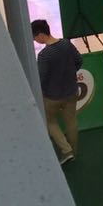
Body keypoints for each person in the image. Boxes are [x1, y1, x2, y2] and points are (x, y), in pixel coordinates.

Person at [32, 19, 83, 165]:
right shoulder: (67, 44)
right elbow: (79, 60)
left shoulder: (44, 55)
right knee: (71, 121)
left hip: (52, 97)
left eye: (34, 37)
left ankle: (66, 150)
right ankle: (74, 152)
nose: (35, 40)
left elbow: (41, 78)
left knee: (50, 122)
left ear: (40, 34)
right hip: (71, 91)